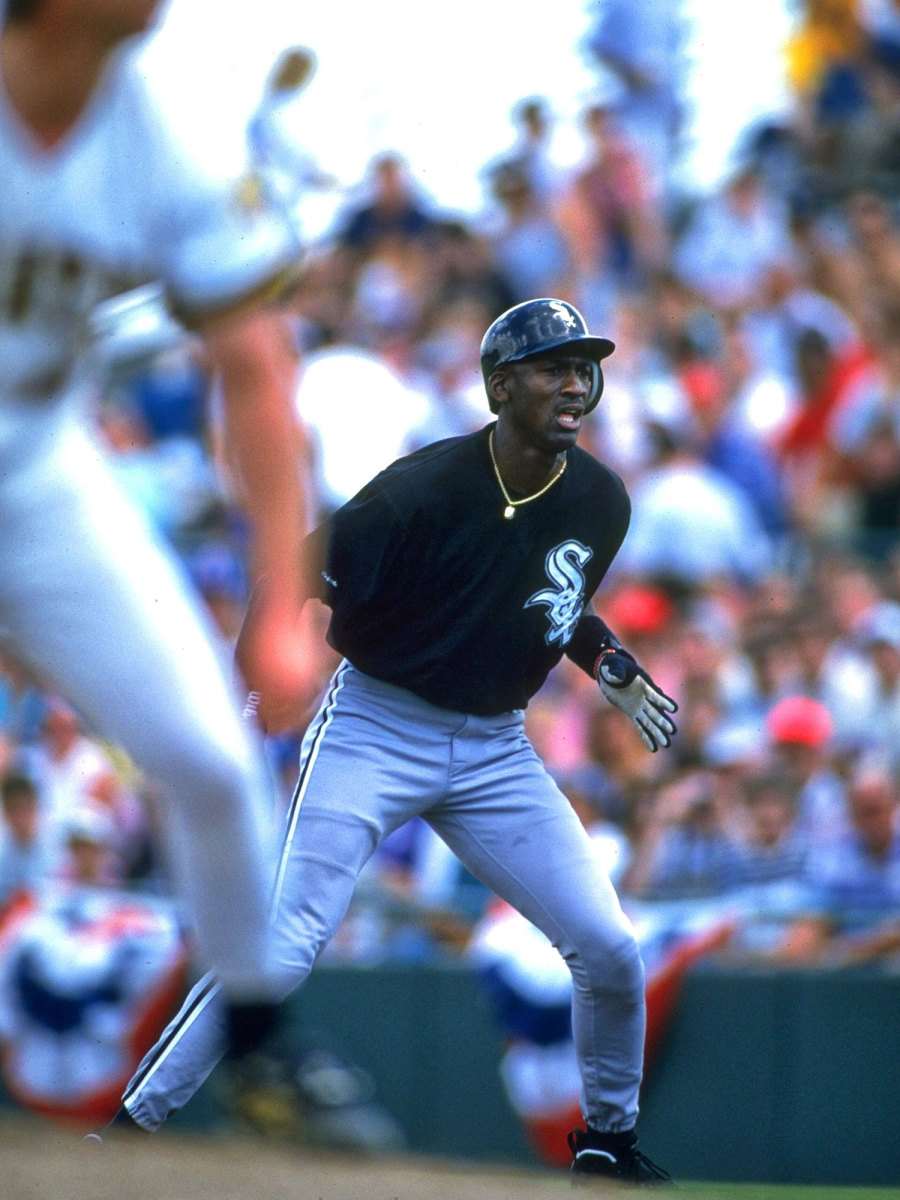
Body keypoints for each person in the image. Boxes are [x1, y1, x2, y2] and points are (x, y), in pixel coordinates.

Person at [117, 298, 678, 1187]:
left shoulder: (601, 499)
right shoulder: (422, 488)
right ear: (501, 386)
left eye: (585, 366)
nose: (575, 383)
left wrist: (604, 655)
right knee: (287, 940)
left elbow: (544, 598)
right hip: (377, 723)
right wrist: (253, 684)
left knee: (608, 946)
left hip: (495, 748)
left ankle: (608, 1141)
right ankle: (131, 1128)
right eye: (552, 367)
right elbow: (290, 569)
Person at [0, 0, 317, 1065]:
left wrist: (280, 605)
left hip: (39, 472)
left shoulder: (164, 130)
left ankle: (260, 1039)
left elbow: (256, 370)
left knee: (213, 763)